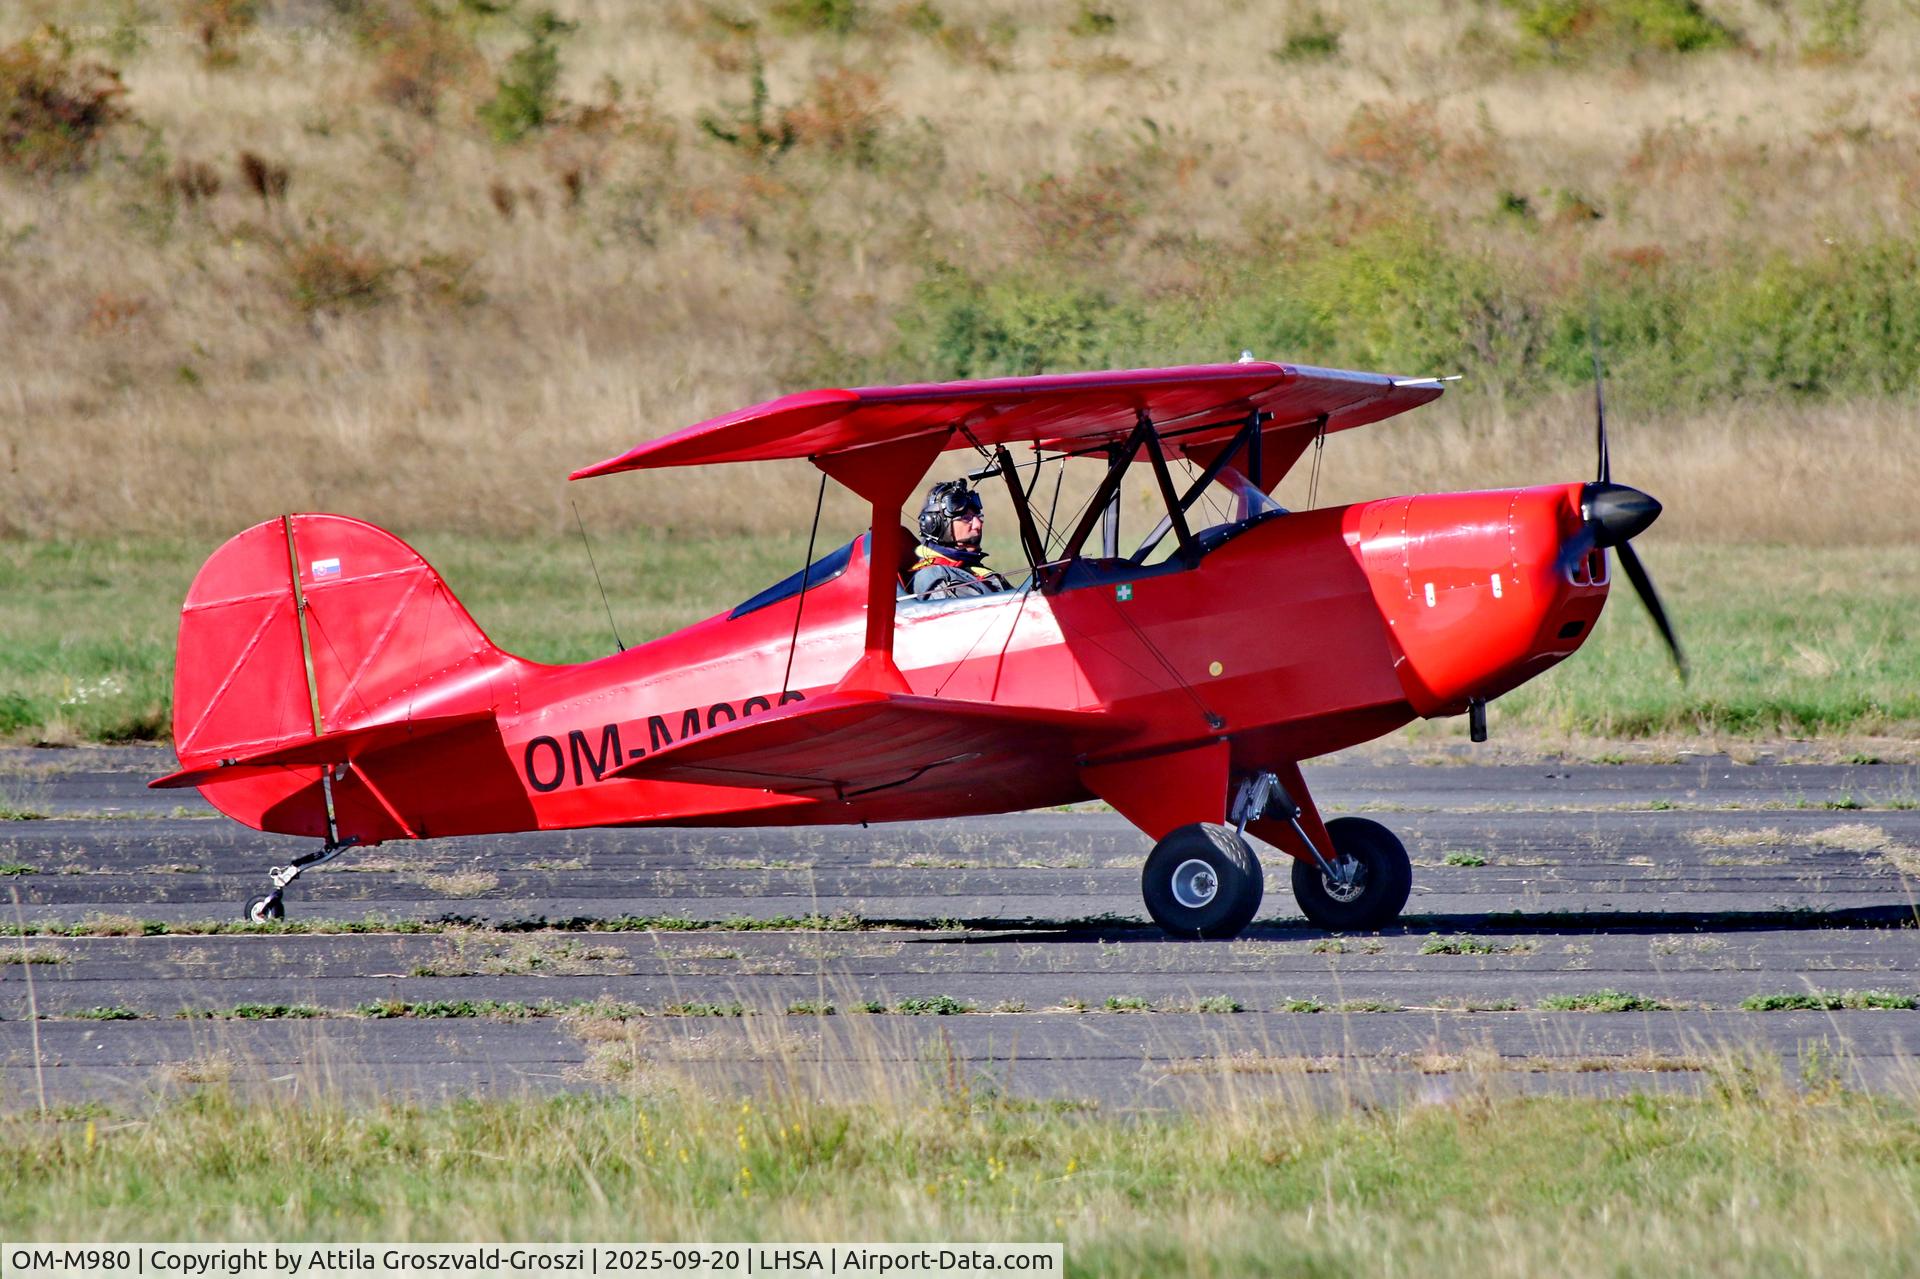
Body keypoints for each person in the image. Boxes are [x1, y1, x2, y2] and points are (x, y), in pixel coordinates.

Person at [908, 479, 1013, 599]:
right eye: (967, 518)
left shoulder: (969, 569)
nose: (978, 524)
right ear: (935, 525)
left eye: (977, 517)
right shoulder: (939, 579)